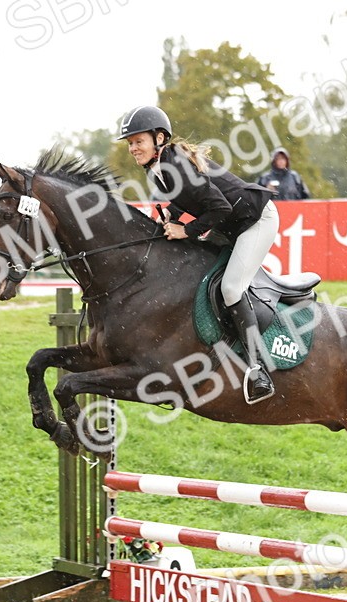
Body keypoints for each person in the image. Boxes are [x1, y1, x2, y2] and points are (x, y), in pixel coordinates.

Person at [118, 104, 279, 404]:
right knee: (198, 272)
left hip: (254, 220)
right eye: (130, 143)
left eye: (138, 141)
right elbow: (187, 201)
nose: (132, 148)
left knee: (231, 287)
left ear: (159, 138)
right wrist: (172, 217)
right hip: (232, 223)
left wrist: (186, 232)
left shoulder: (173, 164)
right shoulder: (160, 168)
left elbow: (220, 207)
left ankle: (259, 370)